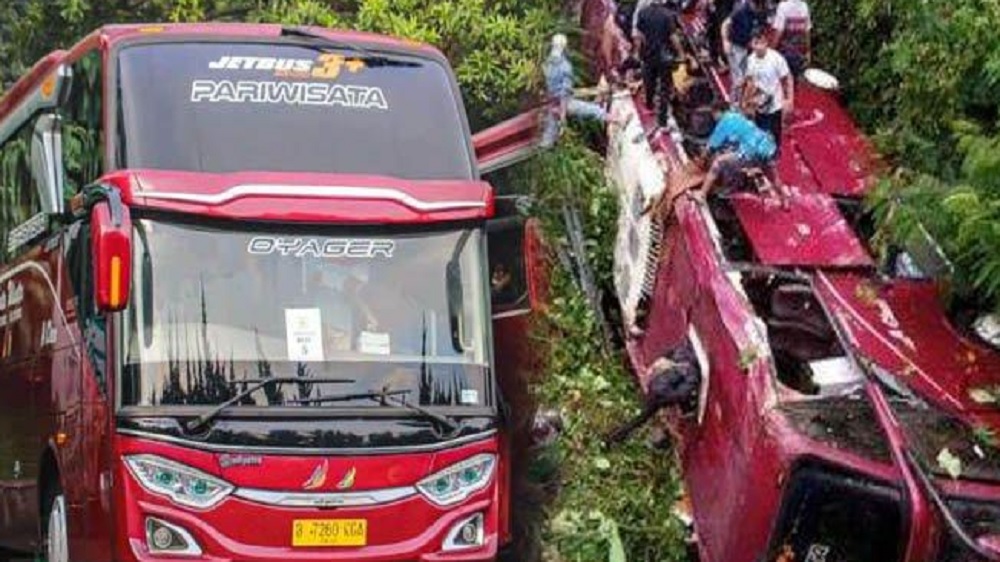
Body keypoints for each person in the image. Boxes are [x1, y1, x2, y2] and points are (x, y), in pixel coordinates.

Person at [693, 102, 786, 206]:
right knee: (773, 177)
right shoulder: (737, 115)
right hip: (767, 148)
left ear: (718, 112)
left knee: (718, 162)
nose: (714, 118)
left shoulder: (725, 121)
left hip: (751, 152)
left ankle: (701, 194)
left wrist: (702, 159)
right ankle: (784, 200)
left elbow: (711, 146)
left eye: (714, 115)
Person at [541, 33, 612, 148]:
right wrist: (563, 115)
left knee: (549, 134)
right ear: (564, 47)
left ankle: (544, 149)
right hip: (563, 102)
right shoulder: (565, 66)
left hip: (550, 102)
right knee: (593, 110)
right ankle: (617, 119)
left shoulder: (546, 63)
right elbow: (564, 94)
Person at [635, 0, 687, 127]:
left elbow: (639, 36)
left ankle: (649, 105)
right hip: (665, 57)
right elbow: (673, 37)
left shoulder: (642, 13)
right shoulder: (667, 15)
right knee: (664, 88)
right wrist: (681, 53)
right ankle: (662, 120)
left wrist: (639, 52)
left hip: (648, 55)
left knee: (649, 81)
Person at [743, 27, 794, 151]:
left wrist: (790, 100)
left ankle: (775, 153)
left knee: (775, 134)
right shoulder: (750, 60)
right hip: (759, 104)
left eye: (760, 43)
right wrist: (746, 101)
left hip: (775, 105)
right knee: (759, 132)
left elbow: (787, 79)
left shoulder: (776, 58)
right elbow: (750, 82)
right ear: (751, 44)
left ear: (766, 42)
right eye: (755, 43)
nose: (758, 47)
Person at [721, 0, 767, 103]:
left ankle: (743, 100)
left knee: (747, 75)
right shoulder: (740, 10)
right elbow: (725, 24)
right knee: (738, 78)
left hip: (745, 47)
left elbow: (757, 30)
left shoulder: (759, 13)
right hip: (734, 46)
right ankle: (735, 104)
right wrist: (725, 41)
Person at [772, 0, 811, 77]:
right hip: (799, 54)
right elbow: (807, 31)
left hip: (785, 54)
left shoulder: (783, 6)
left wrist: (771, 51)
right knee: (794, 81)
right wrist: (808, 51)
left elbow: (779, 32)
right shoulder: (804, 6)